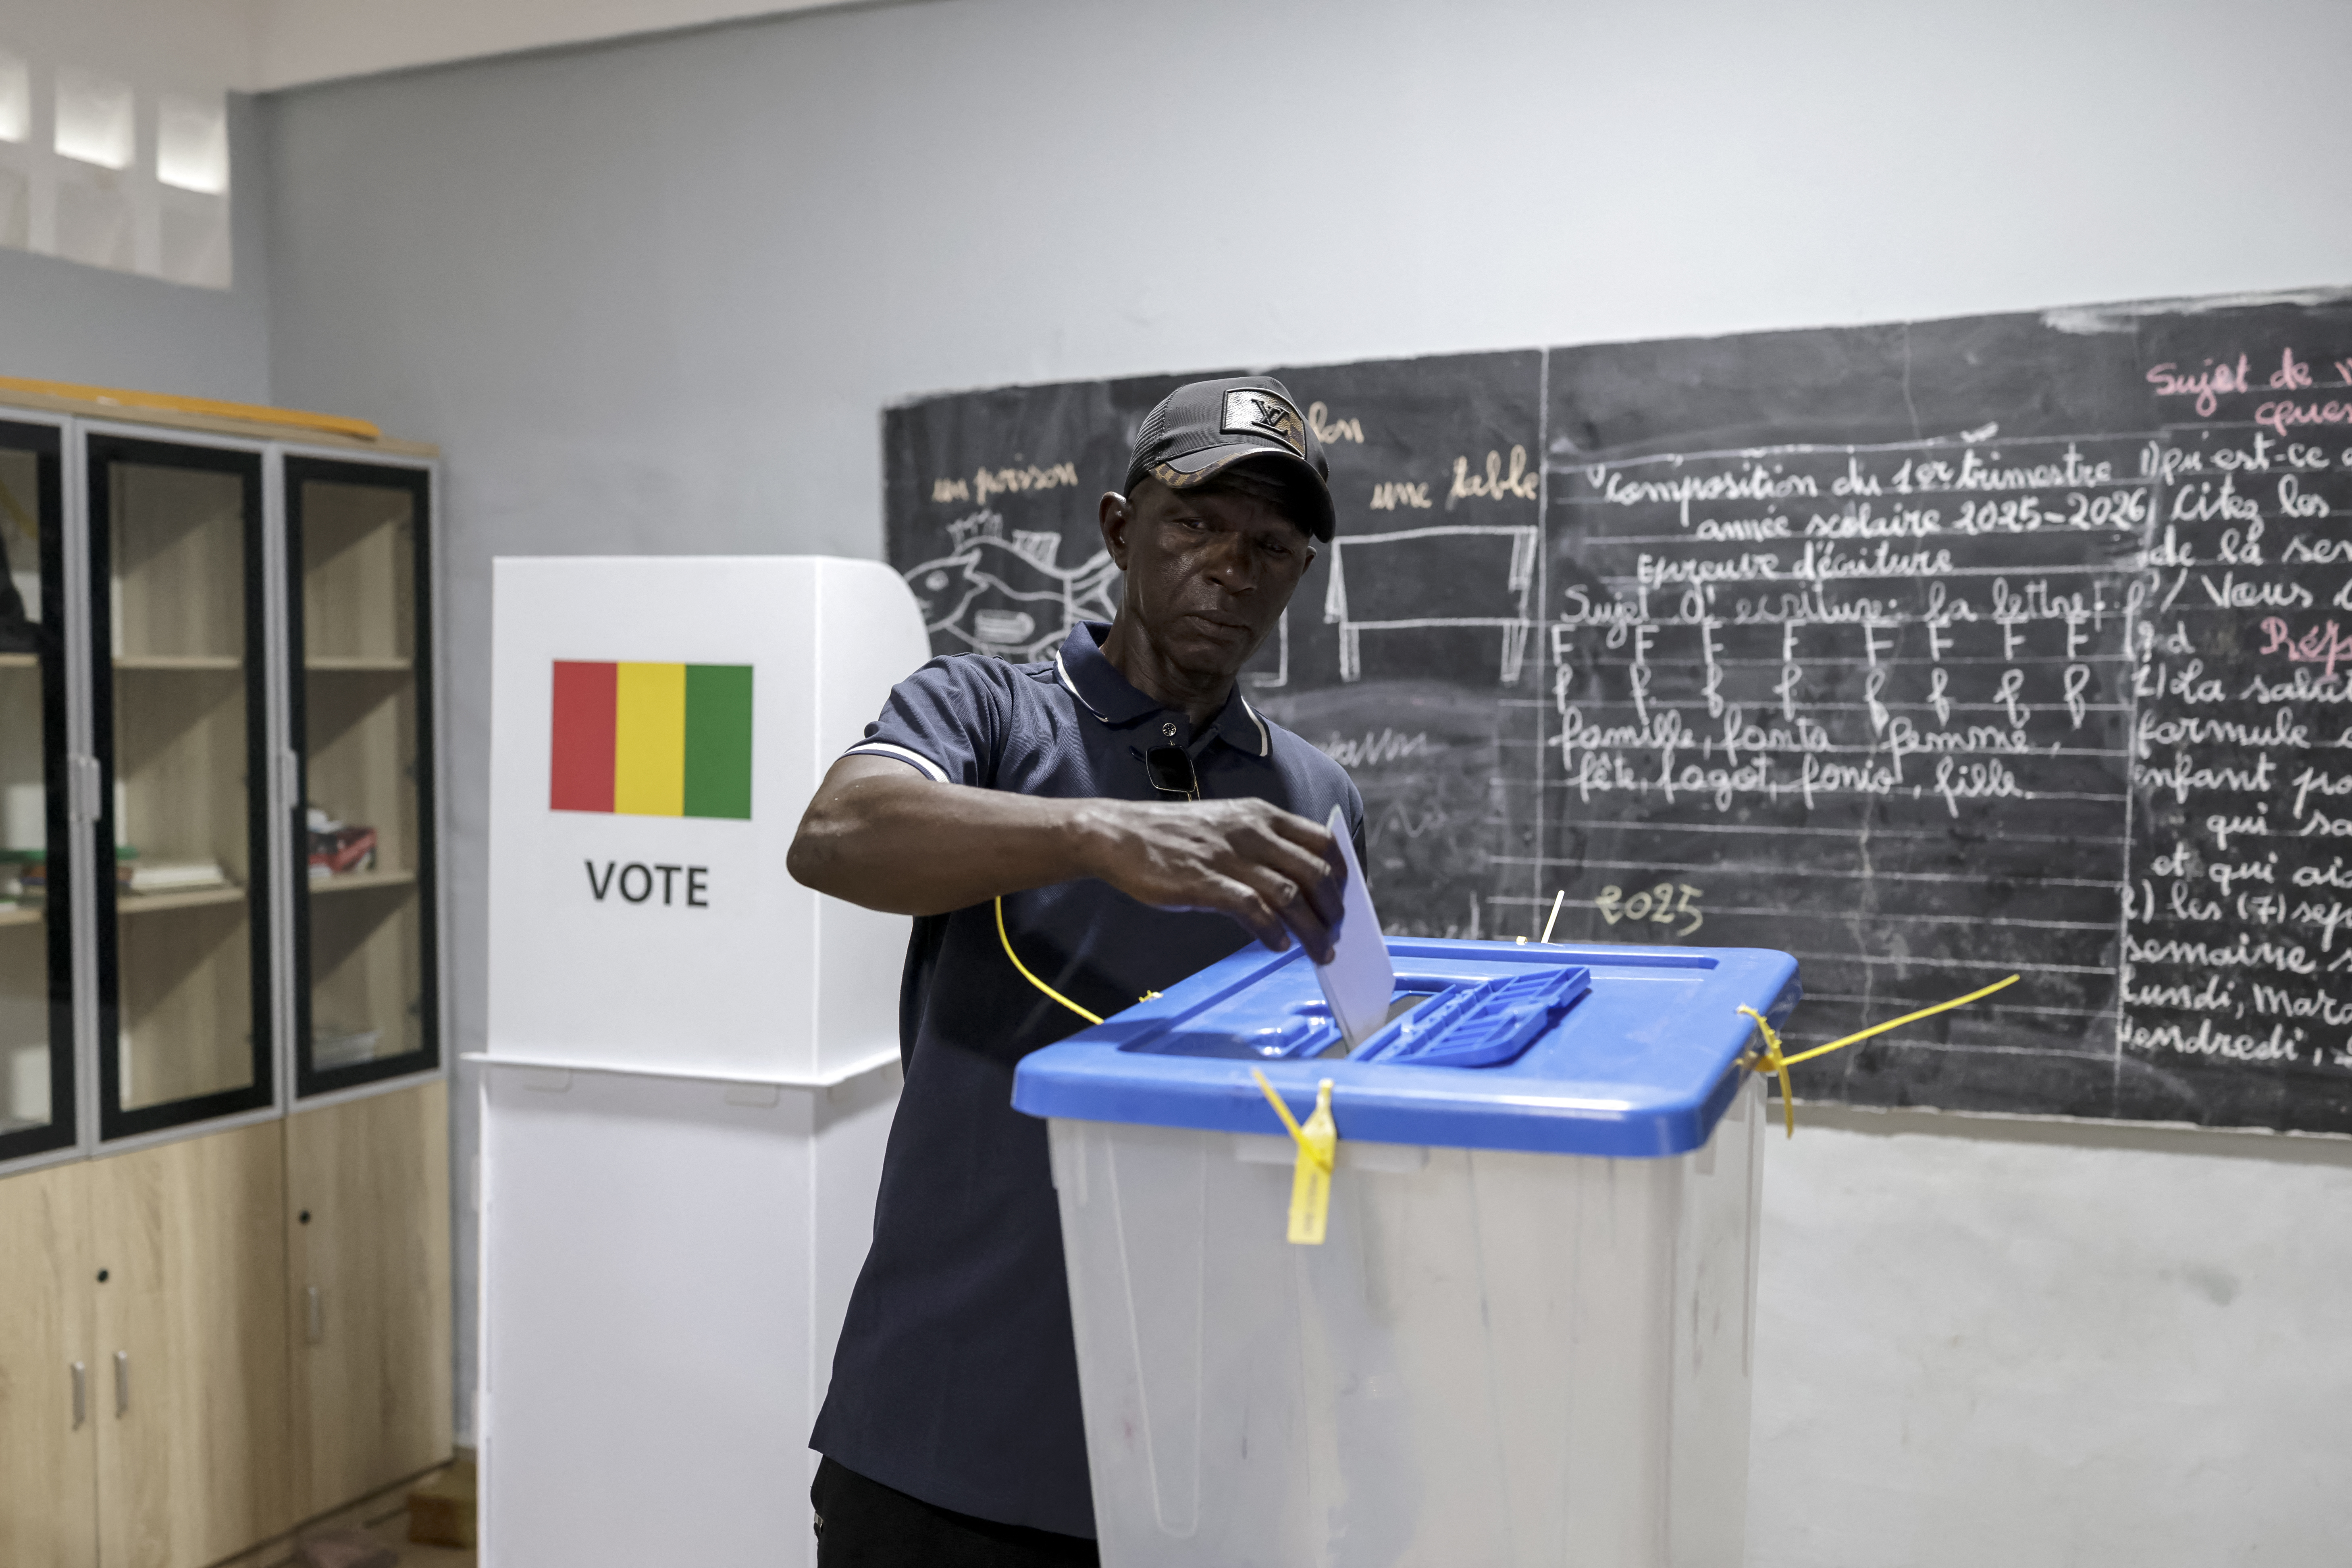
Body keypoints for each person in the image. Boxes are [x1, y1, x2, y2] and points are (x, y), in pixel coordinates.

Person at [789, 376, 1365, 1566]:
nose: (1232, 566)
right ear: (1119, 529)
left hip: (1205, 1446)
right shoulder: (986, 712)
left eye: (1270, 545)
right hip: (952, 1429)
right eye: (1196, 523)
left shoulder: (1318, 798)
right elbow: (836, 836)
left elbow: (1355, 1053)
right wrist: (1099, 832)